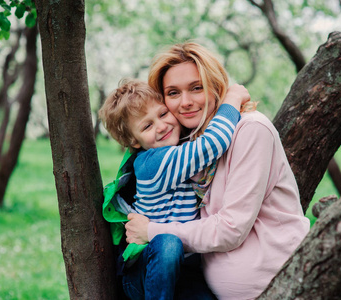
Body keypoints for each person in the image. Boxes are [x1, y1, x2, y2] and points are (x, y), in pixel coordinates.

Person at [124, 42, 311, 299]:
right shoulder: (181, 144)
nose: (186, 102)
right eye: (173, 93)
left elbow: (231, 229)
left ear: (215, 86)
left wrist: (151, 230)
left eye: (196, 88)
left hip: (276, 288)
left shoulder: (251, 130)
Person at [99, 79, 250, 299]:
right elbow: (214, 142)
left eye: (162, 114)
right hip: (146, 268)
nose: (161, 126)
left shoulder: (180, 150)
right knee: (169, 243)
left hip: (184, 270)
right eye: (147, 126)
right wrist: (233, 99)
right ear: (134, 140)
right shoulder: (152, 163)